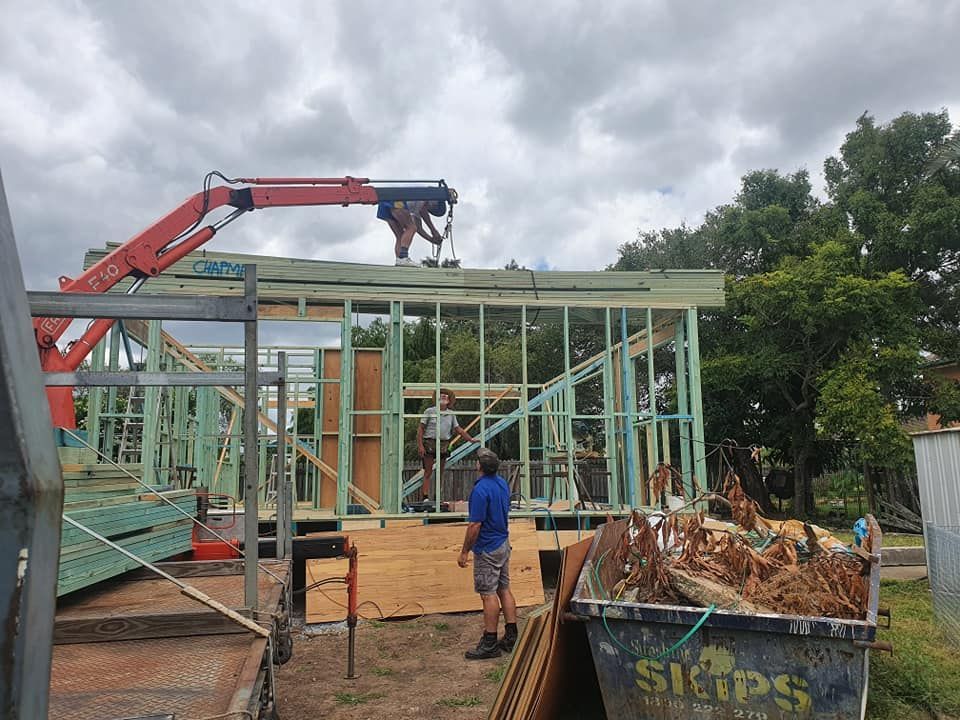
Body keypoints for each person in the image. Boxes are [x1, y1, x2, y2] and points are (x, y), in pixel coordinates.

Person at [458, 448, 518, 659]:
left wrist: (465, 551)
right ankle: (511, 637)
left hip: (488, 548)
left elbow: (475, 525)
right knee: (504, 589)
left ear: (479, 466)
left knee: (488, 594)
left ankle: (490, 642)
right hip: (503, 542)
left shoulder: (480, 490)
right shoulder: (501, 483)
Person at [417, 388, 475, 501]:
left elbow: (459, 429)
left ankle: (437, 496)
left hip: (443, 444)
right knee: (428, 471)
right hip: (429, 442)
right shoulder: (429, 411)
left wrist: (470, 439)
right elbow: (420, 429)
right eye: (441, 396)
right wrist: (420, 445)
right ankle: (425, 497)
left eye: (445, 397)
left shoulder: (451, 414)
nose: (443, 397)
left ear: (448, 401)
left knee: (440, 471)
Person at [377, 199, 446, 267]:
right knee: (411, 228)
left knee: (401, 236)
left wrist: (431, 239)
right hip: (397, 200)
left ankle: (400, 261)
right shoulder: (433, 199)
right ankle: (403, 258)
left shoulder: (417, 208)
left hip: (385, 202)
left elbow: (419, 228)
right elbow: (423, 211)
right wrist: (433, 230)